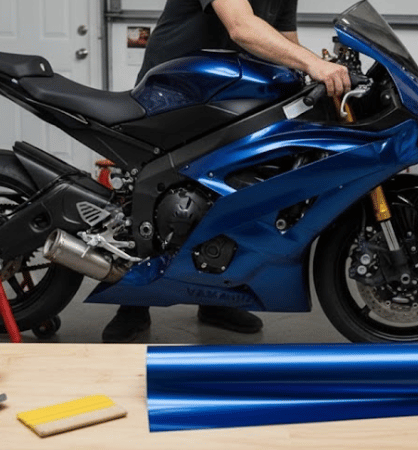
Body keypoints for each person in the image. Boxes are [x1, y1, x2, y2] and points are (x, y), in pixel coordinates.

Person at [102, 0, 352, 343]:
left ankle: (216, 298)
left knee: (232, 191)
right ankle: (131, 303)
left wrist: (320, 71)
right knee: (154, 193)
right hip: (175, 89)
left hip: (232, 93)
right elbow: (241, 25)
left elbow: (284, 39)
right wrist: (315, 64)